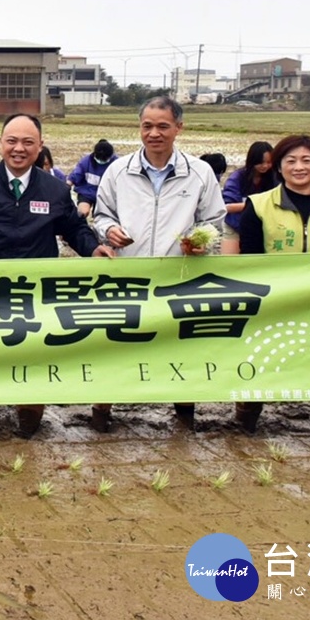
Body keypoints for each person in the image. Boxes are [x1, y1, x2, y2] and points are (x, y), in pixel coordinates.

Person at [0, 113, 114, 436]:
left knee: (33, 355)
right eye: (11, 141)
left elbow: (73, 228)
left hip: (36, 293)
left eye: (27, 142)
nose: (18, 148)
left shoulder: (54, 189)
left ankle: (28, 419)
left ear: (39, 147)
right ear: (0, 144)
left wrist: (93, 248)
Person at [91, 97, 226, 431]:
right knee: (116, 345)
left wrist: (199, 240)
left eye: (163, 126)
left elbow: (214, 222)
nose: (154, 133)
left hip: (179, 279)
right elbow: (102, 213)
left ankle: (183, 413)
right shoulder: (118, 171)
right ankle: (101, 410)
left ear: (178, 128)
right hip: (128, 277)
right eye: (147, 126)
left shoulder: (199, 173)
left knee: (180, 347)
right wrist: (109, 230)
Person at [234, 135, 310, 432]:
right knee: (259, 364)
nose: (299, 167)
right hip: (272, 303)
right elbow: (249, 256)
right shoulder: (259, 205)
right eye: (290, 161)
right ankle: (245, 424)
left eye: (307, 160)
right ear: (278, 167)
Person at [220, 141, 277, 254]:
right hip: (235, 226)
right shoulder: (237, 178)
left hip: (263, 227)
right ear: (252, 161)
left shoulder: (275, 178)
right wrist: (257, 203)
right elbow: (227, 207)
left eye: (269, 162)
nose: (265, 166)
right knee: (230, 263)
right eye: (260, 162)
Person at [67, 139, 116, 218]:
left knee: (100, 217)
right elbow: (76, 174)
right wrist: (68, 184)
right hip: (86, 193)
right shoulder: (86, 161)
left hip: (105, 196)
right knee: (82, 213)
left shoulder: (116, 163)